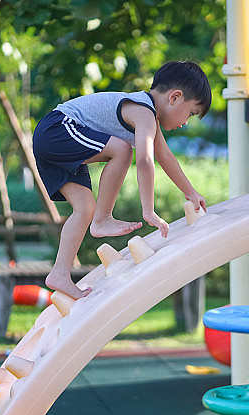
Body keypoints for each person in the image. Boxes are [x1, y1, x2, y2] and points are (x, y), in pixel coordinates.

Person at [33, 60, 211, 299]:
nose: (186, 122)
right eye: (190, 113)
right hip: (58, 128)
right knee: (122, 149)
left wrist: (190, 191)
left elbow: (165, 157)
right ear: (175, 97)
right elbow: (146, 161)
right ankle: (103, 219)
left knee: (84, 207)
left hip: (52, 138)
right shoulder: (144, 111)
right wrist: (149, 211)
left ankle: (59, 274)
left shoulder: (148, 116)